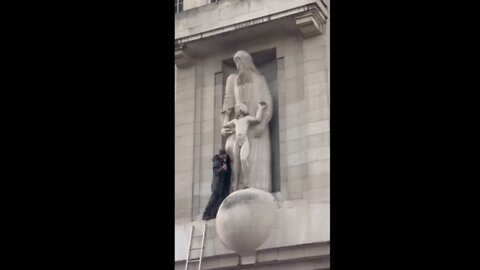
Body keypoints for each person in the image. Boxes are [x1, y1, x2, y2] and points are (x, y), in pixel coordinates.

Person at [221, 50, 273, 192]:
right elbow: (227, 106)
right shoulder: (233, 80)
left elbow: (267, 101)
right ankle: (237, 187)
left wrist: (262, 123)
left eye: (240, 61)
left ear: (247, 62)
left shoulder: (259, 79)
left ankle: (256, 189)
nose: (238, 65)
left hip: (256, 128)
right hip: (239, 128)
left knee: (252, 160)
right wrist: (223, 125)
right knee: (236, 157)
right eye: (236, 62)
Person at [223, 102, 267, 190]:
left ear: (242, 110)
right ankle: (235, 185)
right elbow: (225, 125)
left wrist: (260, 108)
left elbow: (258, 120)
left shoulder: (246, 119)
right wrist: (227, 115)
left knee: (243, 159)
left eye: (237, 110)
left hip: (244, 140)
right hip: (237, 141)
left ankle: (247, 182)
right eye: (236, 110)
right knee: (236, 164)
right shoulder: (235, 121)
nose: (236, 112)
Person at [202, 149, 231, 220]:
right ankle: (206, 214)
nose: (225, 157)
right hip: (217, 185)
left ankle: (213, 214)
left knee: (219, 201)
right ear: (221, 155)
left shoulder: (223, 161)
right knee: (213, 201)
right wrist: (222, 168)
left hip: (222, 186)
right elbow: (216, 173)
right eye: (224, 155)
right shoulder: (217, 162)